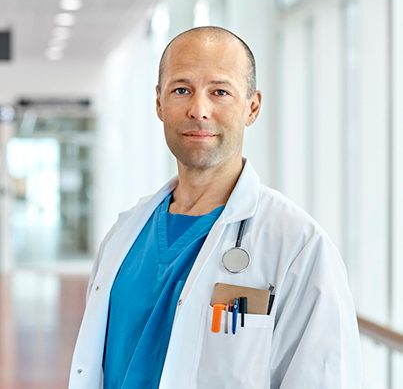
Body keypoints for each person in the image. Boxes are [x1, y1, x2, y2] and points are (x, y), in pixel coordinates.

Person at [69, 26, 362, 389]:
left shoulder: (299, 246)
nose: (199, 110)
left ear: (252, 106)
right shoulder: (124, 236)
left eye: (220, 92)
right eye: (181, 90)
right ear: (159, 103)